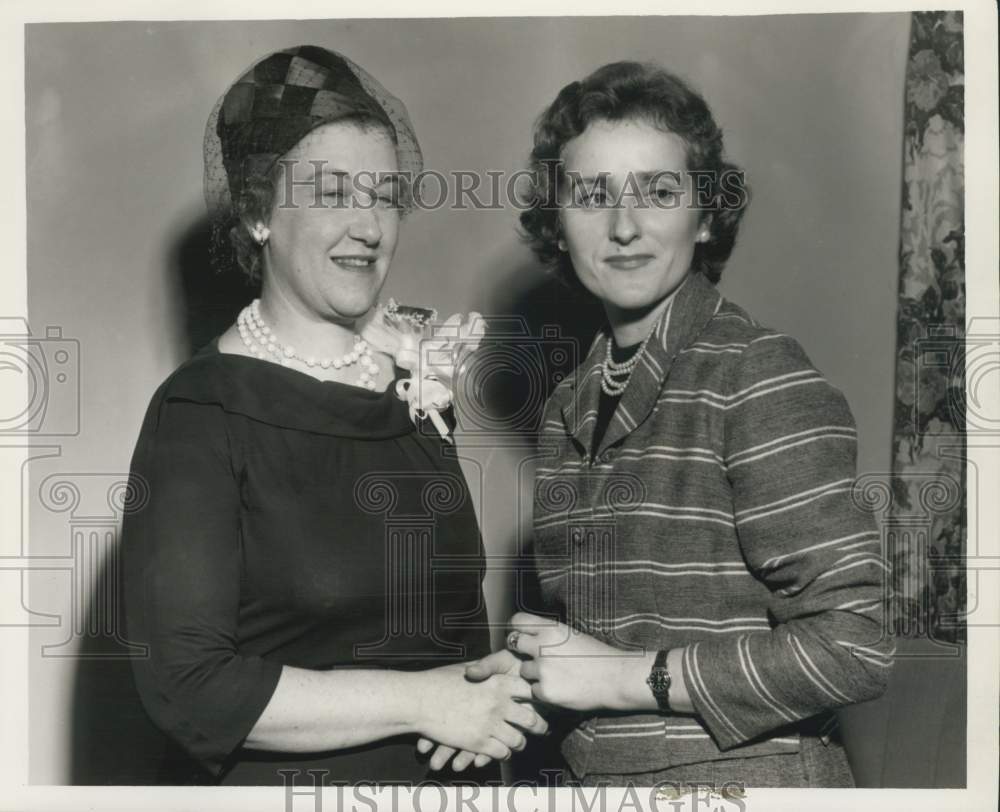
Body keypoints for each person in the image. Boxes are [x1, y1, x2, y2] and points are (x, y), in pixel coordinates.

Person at [452, 60, 894, 788]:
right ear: (557, 227)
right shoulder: (568, 406)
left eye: (657, 192)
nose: (624, 227)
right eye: (592, 196)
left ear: (708, 213)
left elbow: (856, 645)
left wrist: (623, 679)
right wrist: (522, 683)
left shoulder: (757, 373)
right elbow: (602, 653)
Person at [122, 45, 546, 786]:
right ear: (257, 210)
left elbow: (452, 640)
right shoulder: (200, 412)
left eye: (383, 196)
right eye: (333, 194)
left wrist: (495, 691)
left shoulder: (411, 387)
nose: (369, 227)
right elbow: (186, 686)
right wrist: (425, 703)